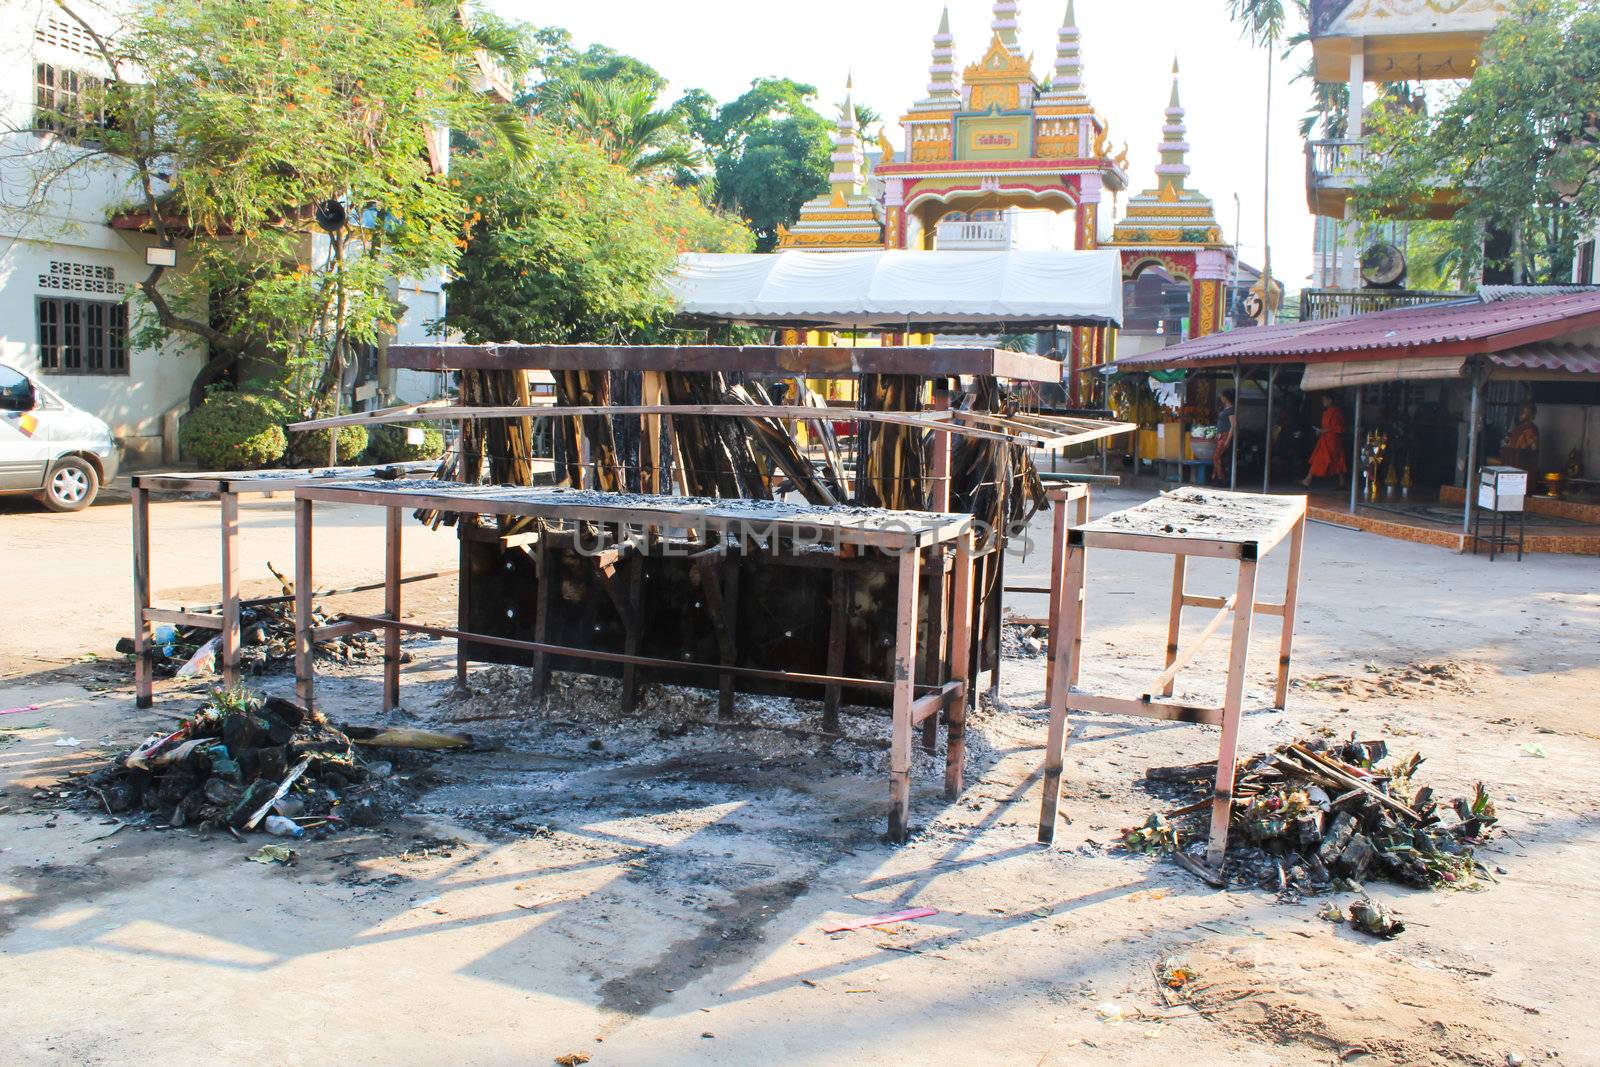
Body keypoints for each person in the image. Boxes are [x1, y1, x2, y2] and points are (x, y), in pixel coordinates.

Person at [1302, 393, 1348, 488]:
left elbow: (1338, 427)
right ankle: (1341, 481)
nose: (1323, 402)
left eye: (1325, 400)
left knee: (1331, 460)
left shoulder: (1336, 412)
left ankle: (1308, 479)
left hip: (1333, 441)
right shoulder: (1325, 412)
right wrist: (1320, 431)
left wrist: (1323, 431)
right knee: (1323, 459)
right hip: (1324, 439)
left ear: (1330, 400)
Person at [1212, 389, 1236, 484]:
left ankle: (1221, 478)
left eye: (1222, 396)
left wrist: (1228, 440)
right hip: (1221, 435)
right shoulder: (1225, 409)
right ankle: (1218, 477)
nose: (1221, 398)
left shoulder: (1231, 410)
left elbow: (1233, 425)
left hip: (1225, 436)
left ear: (1225, 398)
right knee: (1218, 458)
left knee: (1216, 457)